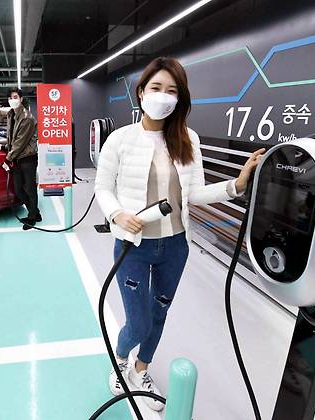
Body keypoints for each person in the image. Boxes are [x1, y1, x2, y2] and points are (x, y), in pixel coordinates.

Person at [95, 56, 264, 411]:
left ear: (180, 99)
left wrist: (237, 184)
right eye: (156, 87)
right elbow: (102, 187)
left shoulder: (187, 139)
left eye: (172, 90)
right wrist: (117, 214)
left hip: (175, 246)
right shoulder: (120, 139)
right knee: (138, 323)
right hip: (133, 247)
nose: (163, 96)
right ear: (141, 92)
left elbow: (194, 194)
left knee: (159, 313)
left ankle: (142, 369)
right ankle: (122, 357)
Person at [5, 87, 41, 229]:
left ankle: (32, 217)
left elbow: (20, 142)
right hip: (17, 158)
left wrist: (8, 157)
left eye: (15, 97)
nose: (12, 100)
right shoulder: (10, 115)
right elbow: (11, 136)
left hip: (28, 158)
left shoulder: (27, 117)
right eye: (10, 98)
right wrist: (7, 148)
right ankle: (35, 212)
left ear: (21, 99)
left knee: (30, 189)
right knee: (19, 189)